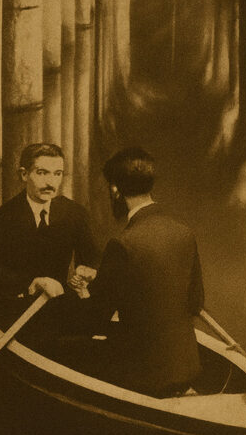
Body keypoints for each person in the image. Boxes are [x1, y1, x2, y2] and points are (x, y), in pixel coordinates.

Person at [86, 147, 205, 397]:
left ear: (115, 190)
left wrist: (83, 291)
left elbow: (97, 316)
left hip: (144, 376)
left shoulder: (123, 243)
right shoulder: (184, 233)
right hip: (187, 368)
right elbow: (195, 302)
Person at [0, 142, 98, 300]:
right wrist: (31, 283)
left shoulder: (74, 213)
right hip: (16, 306)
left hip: (58, 304)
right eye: (42, 173)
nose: (51, 183)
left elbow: (91, 261)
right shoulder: (0, 219)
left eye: (57, 174)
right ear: (24, 174)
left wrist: (88, 272)